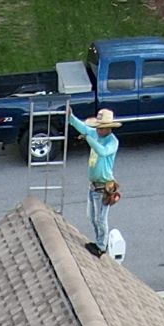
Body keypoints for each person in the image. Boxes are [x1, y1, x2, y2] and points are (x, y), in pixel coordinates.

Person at [69, 106, 121, 254]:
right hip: (93, 186)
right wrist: (71, 117)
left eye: (101, 127)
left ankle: (101, 246)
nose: (98, 130)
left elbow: (102, 151)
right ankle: (99, 241)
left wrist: (88, 138)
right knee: (92, 217)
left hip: (104, 186)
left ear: (109, 128)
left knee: (100, 218)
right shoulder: (95, 134)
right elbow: (82, 127)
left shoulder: (112, 141)